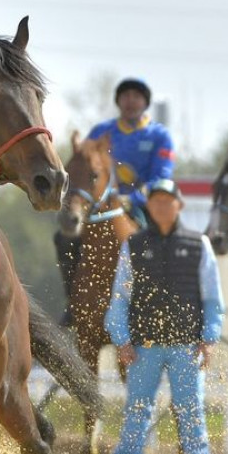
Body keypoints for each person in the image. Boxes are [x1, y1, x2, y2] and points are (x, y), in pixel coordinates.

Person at [105, 178, 223, 454]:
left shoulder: (200, 244)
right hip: (144, 347)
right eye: (155, 200)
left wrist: (209, 338)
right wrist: (122, 339)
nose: (160, 205)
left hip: (187, 345)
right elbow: (120, 297)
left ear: (178, 205)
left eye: (166, 200)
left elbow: (212, 298)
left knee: (191, 409)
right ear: (149, 206)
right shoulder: (134, 245)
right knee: (137, 407)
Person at [54, 77, 176, 325]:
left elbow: (162, 176)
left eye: (136, 96)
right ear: (118, 101)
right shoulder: (101, 132)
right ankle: (74, 303)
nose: (130, 101)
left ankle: (166, 306)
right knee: (63, 238)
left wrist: (133, 197)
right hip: (101, 206)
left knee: (168, 241)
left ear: (145, 102)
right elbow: (82, 166)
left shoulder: (160, 136)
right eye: (125, 96)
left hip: (143, 206)